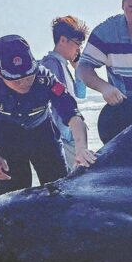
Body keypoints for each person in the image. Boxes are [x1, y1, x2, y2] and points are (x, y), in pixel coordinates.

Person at [0, 35, 96, 195]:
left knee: (59, 191)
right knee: (13, 198)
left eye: (29, 76)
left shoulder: (45, 78)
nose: (24, 83)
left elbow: (72, 114)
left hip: (43, 133)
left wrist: (81, 149)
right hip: (6, 137)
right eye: (17, 80)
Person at [41, 15, 95, 171]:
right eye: (77, 44)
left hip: (70, 135)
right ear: (63, 40)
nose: (79, 49)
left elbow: (81, 93)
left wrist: (77, 66)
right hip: (62, 137)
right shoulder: (51, 64)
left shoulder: (63, 65)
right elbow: (54, 105)